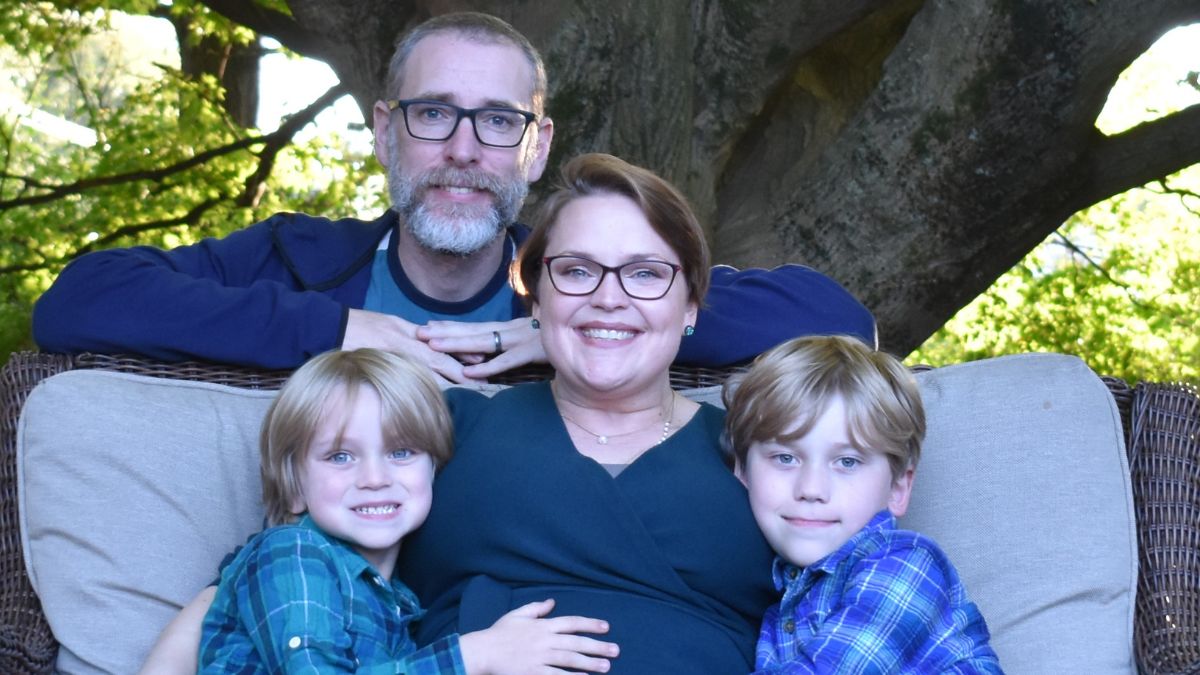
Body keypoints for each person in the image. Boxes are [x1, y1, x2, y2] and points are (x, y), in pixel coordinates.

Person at [150, 153, 782, 674]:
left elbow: (831, 318)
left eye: (644, 274)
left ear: (692, 304)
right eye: (576, 272)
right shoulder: (439, 428)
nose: (608, 297)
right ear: (537, 299)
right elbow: (259, 581)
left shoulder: (764, 451)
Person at [30, 12, 876, 383]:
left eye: (499, 121)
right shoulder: (297, 262)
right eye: (435, 114)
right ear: (386, 132)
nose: (464, 150)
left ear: (536, 147)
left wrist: (563, 330)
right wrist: (336, 330)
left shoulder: (588, 282)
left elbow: (841, 320)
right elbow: (78, 300)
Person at [197, 348, 618, 673]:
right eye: (341, 456)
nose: (375, 478)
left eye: (400, 452)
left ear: (434, 471)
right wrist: (477, 654)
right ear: (294, 487)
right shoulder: (292, 552)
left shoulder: (401, 598)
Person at [722, 335, 1002, 673]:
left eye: (847, 462)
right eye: (785, 457)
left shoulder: (905, 567)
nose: (811, 489)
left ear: (898, 487)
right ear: (742, 470)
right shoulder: (780, 600)